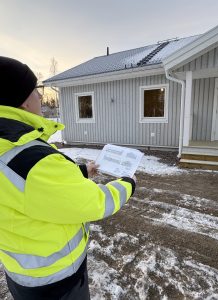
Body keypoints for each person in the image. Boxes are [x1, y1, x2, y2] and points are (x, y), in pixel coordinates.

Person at [0, 56, 136, 300]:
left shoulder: (11, 149)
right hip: (56, 282)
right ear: (20, 102)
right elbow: (95, 202)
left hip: (21, 273)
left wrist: (82, 172)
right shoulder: (30, 158)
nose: (41, 97)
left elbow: (24, 187)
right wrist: (128, 183)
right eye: (35, 90)